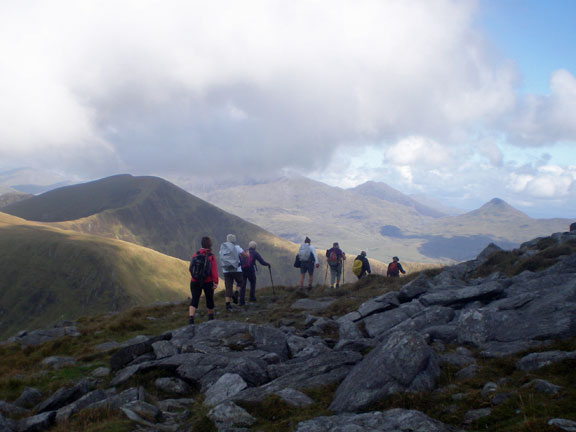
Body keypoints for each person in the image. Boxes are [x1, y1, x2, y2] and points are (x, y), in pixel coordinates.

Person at [188, 236, 218, 324]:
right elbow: (214, 270)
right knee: (209, 299)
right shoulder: (211, 256)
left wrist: (195, 276)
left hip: (194, 281)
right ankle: (211, 318)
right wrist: (215, 282)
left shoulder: (195, 254)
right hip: (207, 281)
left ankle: (191, 318)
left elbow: (191, 268)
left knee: (194, 299)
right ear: (210, 245)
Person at [219, 234, 244, 311]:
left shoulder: (222, 249)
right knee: (240, 282)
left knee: (228, 287)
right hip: (236, 269)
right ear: (234, 240)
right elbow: (245, 255)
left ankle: (227, 304)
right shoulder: (237, 248)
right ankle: (236, 292)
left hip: (226, 270)